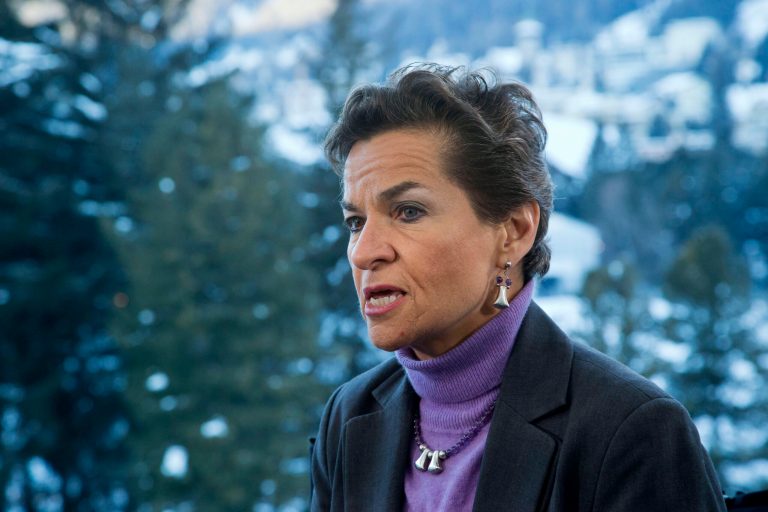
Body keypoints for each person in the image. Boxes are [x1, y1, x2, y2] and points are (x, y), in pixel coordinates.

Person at [309, 64, 726, 512]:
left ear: (513, 230)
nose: (363, 251)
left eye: (408, 211)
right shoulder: (350, 417)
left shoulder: (632, 431)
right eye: (356, 222)